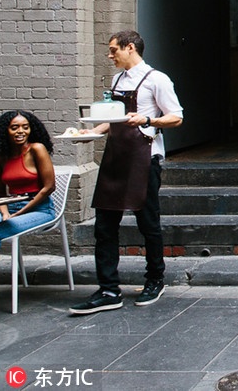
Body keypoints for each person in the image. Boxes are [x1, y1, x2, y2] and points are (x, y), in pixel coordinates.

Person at [70, 30, 183, 315]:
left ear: (129, 47)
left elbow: (177, 116)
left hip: (144, 158)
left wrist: (147, 118)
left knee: (148, 223)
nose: (110, 56)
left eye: (113, 50)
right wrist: (91, 131)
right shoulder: (117, 80)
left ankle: (155, 279)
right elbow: (113, 119)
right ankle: (108, 289)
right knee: (104, 226)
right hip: (115, 158)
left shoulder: (156, 79)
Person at [0, 111, 57, 255]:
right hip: (11, 207)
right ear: (5, 131)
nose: (21, 131)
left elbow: (49, 187)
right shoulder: (1, 156)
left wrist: (19, 213)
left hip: (40, 210)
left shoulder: (37, 149)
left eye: (25, 127)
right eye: (15, 127)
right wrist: (4, 213)